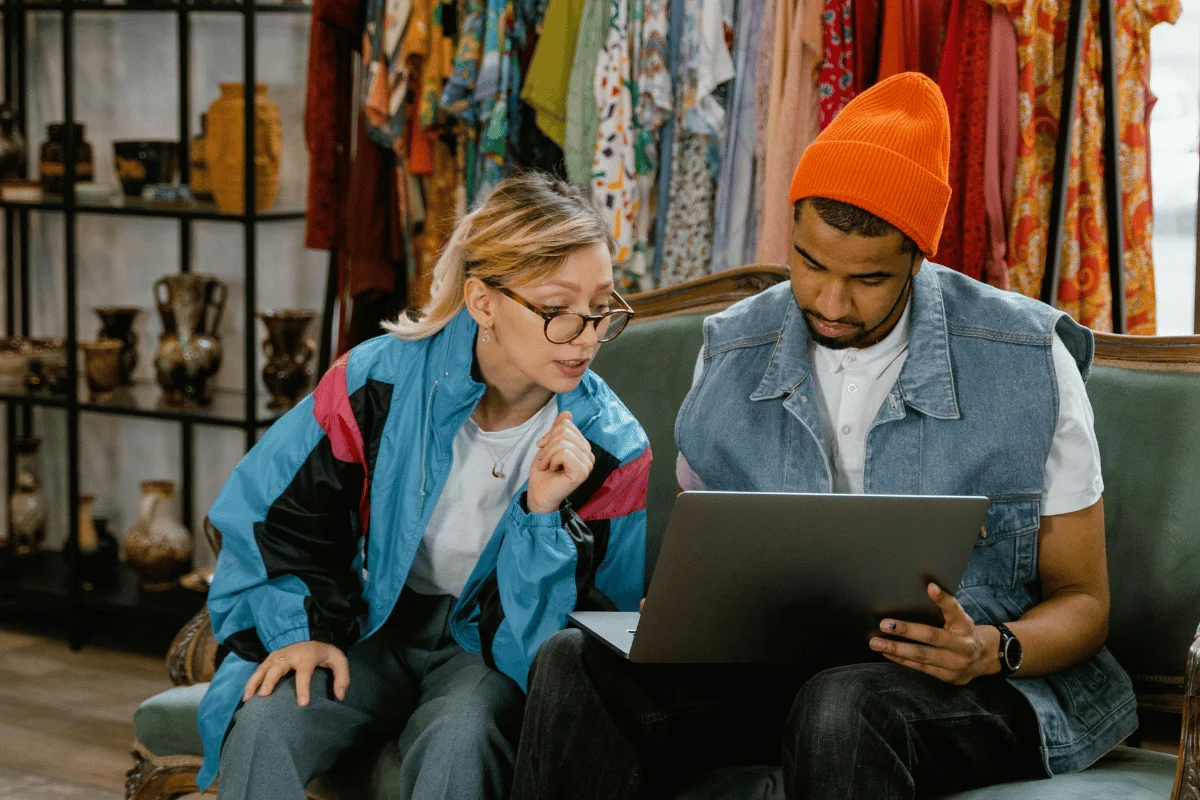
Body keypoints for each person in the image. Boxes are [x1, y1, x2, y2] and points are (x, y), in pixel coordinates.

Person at [511, 73, 1135, 800]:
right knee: (571, 662)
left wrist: (991, 650)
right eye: (809, 263)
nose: (831, 303)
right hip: (772, 677)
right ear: (792, 230)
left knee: (840, 706)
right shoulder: (730, 348)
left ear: (917, 258)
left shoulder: (1027, 357)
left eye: (868, 279)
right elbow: (711, 551)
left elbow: (1084, 603)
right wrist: (688, 614)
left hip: (971, 686)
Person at [193, 173, 653, 799]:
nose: (589, 334)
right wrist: (298, 632)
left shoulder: (613, 449)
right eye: (557, 309)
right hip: (372, 623)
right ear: (483, 301)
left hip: (489, 653)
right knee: (269, 718)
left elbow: (575, 649)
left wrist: (543, 518)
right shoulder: (376, 381)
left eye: (602, 306)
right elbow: (274, 512)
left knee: (462, 740)